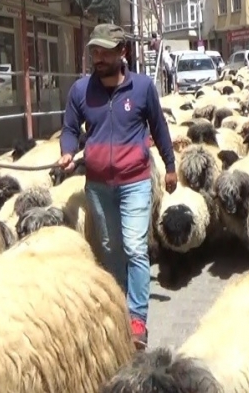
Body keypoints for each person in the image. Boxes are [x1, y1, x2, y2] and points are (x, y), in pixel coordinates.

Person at [57, 23, 178, 349]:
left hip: (135, 181)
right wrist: (68, 151)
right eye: (94, 51)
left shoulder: (142, 88)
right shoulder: (81, 91)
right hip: (97, 185)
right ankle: (119, 305)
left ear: (122, 51)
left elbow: (159, 126)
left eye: (104, 51)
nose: (97, 57)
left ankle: (137, 318)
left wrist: (170, 166)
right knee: (110, 250)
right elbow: (69, 128)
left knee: (135, 248)